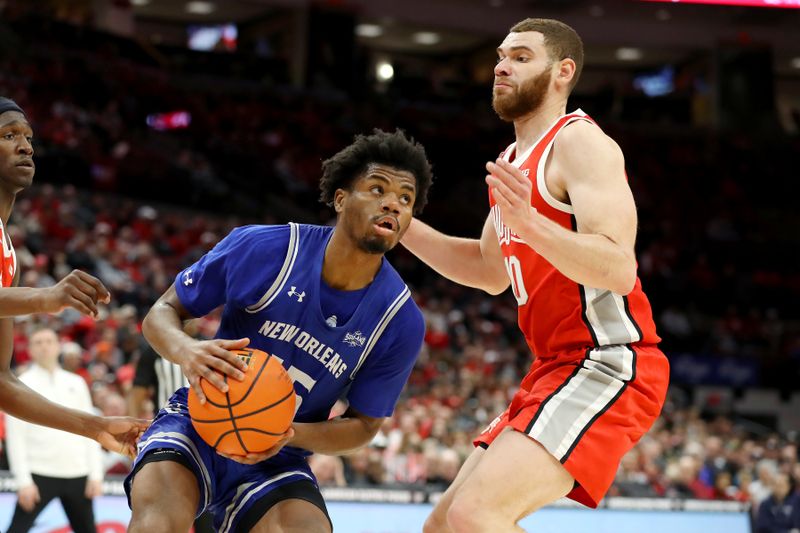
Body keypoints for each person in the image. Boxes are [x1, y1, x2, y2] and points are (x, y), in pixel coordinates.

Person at [401, 18, 670, 532]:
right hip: (551, 365)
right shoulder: (510, 161)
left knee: (476, 515)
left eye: (522, 57)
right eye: (502, 56)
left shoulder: (580, 143)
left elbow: (618, 266)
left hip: (609, 359)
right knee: (443, 526)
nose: (502, 65)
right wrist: (401, 229)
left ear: (563, 72)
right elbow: (488, 271)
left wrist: (531, 223)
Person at [125, 129, 433, 533]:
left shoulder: (401, 320)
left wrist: (285, 433)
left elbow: (364, 426)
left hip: (279, 454)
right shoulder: (264, 249)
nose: (392, 202)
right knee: (157, 524)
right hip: (197, 424)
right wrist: (186, 350)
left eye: (405, 198)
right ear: (340, 199)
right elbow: (162, 312)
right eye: (377, 189)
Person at [0, 96, 147, 456]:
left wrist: (96, 427)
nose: (25, 147)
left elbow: (2, 381)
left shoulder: (9, 255)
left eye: (29, 138)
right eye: (8, 135)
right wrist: (47, 298)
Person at [5, 328, 104, 533]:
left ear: (58, 347)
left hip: (78, 472)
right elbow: (15, 438)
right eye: (38, 342)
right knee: (16, 529)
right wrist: (23, 481)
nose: (45, 346)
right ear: (30, 349)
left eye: (49, 341)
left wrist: (96, 474)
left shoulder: (76, 382)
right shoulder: (21, 384)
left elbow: (90, 429)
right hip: (39, 472)